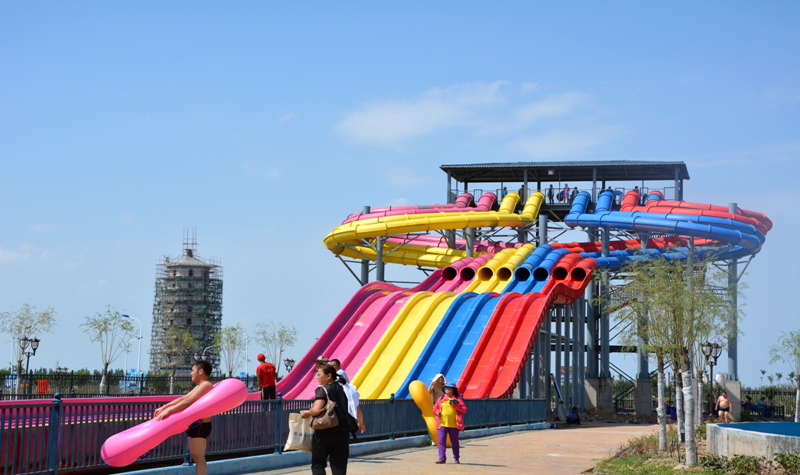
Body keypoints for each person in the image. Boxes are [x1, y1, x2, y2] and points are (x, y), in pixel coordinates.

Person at [154, 361, 214, 475]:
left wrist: (169, 411)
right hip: (195, 424)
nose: (191, 373)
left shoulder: (206, 385)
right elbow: (184, 398)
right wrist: (165, 407)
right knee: (196, 457)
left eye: (193, 370)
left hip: (200, 425)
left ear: (201, 371)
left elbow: (188, 401)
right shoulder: (200, 386)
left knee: (199, 458)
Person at [300, 364, 352, 475]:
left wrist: (306, 413)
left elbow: (316, 410)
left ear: (329, 376)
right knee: (339, 466)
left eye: (319, 374)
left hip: (324, 433)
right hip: (343, 432)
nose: (317, 377)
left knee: (318, 464)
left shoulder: (322, 390)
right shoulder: (343, 388)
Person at [433, 383, 467, 464]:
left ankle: (456, 458)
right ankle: (442, 458)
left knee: (454, 442)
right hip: (442, 424)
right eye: (446, 388)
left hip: (454, 425)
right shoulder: (440, 399)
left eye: (449, 388)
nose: (447, 389)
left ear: (453, 390)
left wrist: (456, 405)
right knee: (441, 441)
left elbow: (464, 410)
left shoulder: (458, 400)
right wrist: (436, 412)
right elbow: (434, 409)